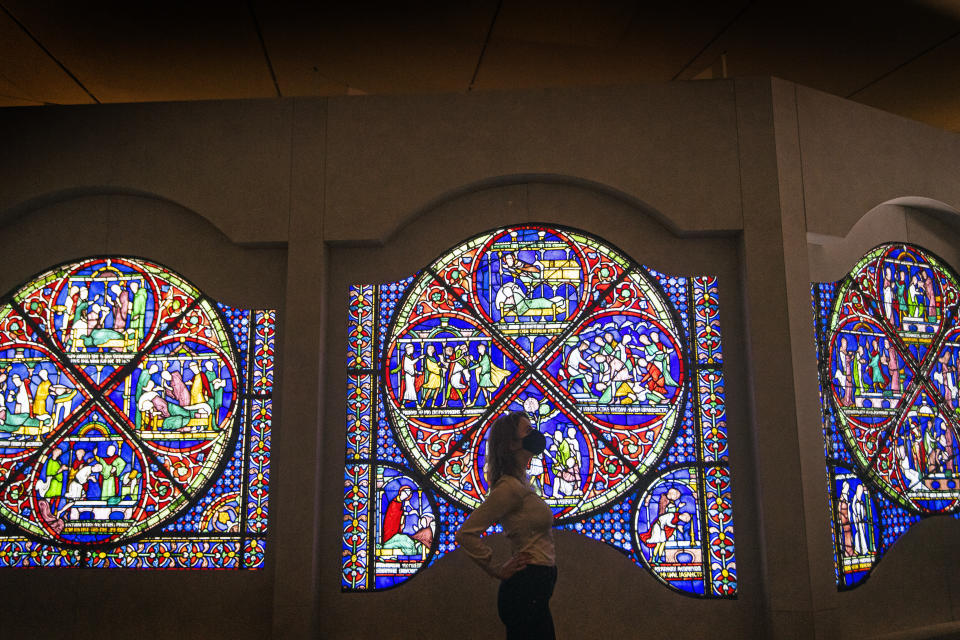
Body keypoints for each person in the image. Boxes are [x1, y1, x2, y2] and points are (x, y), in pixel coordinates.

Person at [456, 411, 556, 639]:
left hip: (537, 586)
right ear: (512, 444)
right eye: (528, 431)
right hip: (526, 588)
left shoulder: (523, 483)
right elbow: (466, 534)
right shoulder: (509, 488)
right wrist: (495, 568)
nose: (535, 434)